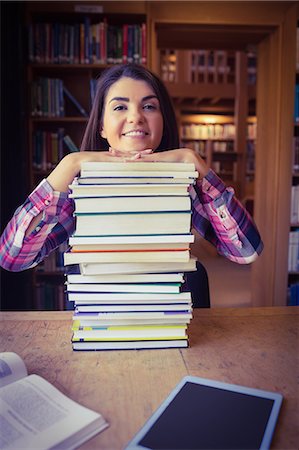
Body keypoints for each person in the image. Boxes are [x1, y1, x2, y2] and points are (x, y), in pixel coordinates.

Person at [0, 63, 263, 280]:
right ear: (101, 126)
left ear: (163, 122)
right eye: (120, 107)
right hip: (102, 318)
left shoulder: (180, 186)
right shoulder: (80, 192)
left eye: (149, 106)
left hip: (167, 316)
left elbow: (246, 251)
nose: (136, 117)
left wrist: (194, 160)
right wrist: (69, 164)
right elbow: (12, 258)